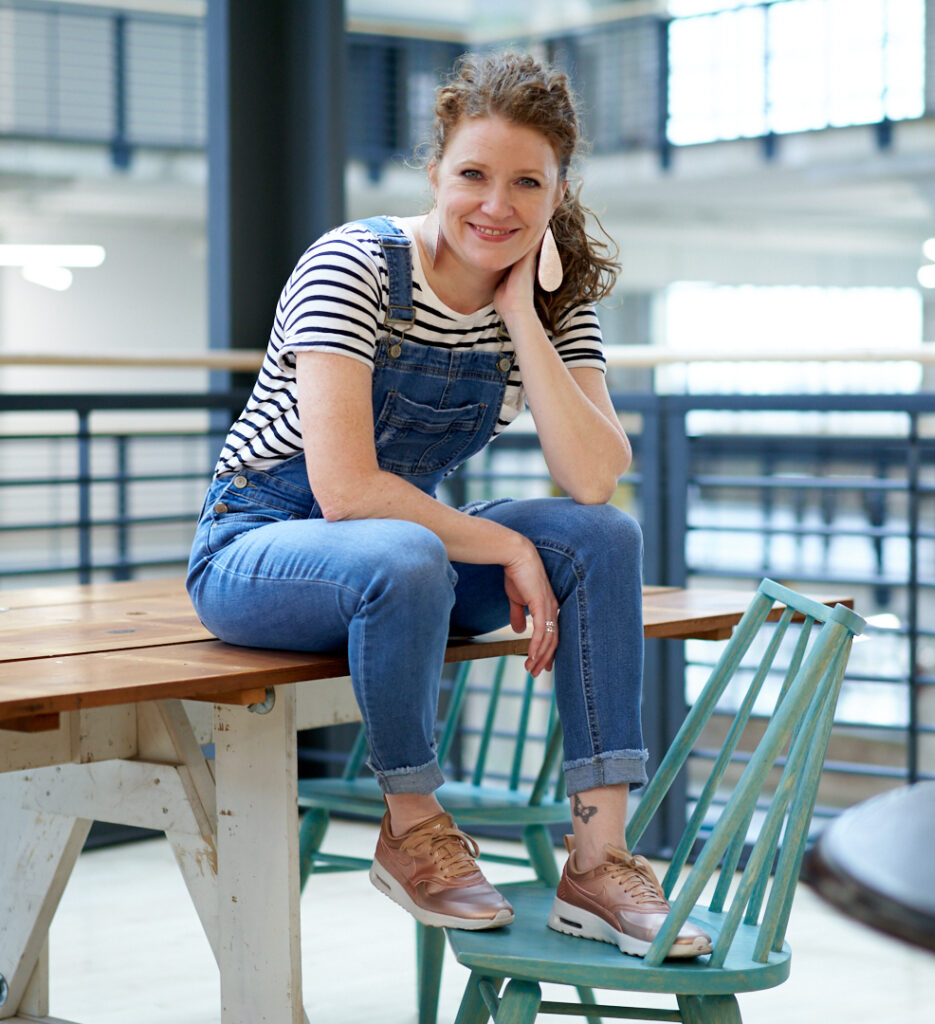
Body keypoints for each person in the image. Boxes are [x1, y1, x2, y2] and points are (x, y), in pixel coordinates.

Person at [187, 51, 711, 959]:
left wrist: (520, 317)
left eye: (525, 183)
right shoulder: (354, 266)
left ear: (556, 192)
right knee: (405, 550)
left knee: (601, 536)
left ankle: (599, 860)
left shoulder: (554, 298)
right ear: (435, 173)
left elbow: (592, 477)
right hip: (262, 546)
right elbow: (344, 490)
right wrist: (502, 546)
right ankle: (413, 826)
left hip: (407, 563)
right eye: (473, 175)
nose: (496, 205)